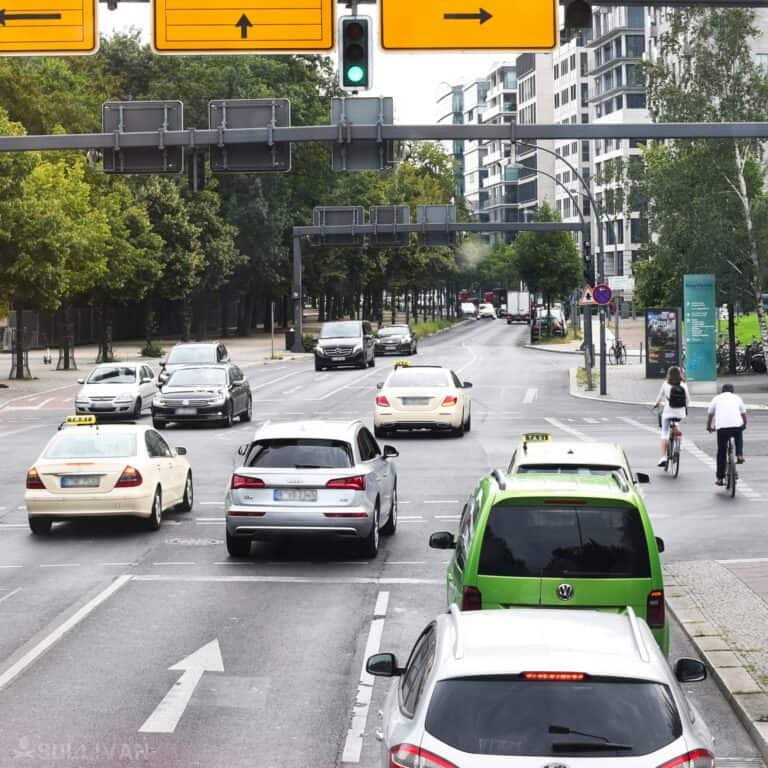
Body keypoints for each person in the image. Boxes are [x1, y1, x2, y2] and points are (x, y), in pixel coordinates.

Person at [706, 383, 747, 486]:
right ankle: (739, 454)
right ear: (733, 391)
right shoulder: (737, 398)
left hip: (722, 428)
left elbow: (710, 414)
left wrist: (709, 427)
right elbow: (743, 414)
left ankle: (720, 478)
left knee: (721, 452)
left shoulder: (716, 398)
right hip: (736, 426)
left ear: (722, 391)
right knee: (738, 435)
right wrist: (744, 424)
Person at [653, 365, 690, 468]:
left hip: (668, 412)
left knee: (664, 433)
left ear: (668, 374)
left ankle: (663, 457)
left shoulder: (665, 384)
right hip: (680, 413)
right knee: (677, 422)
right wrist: (685, 406)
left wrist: (656, 404)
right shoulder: (684, 384)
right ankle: (680, 443)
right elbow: (688, 400)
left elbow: (659, 397)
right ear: (680, 374)